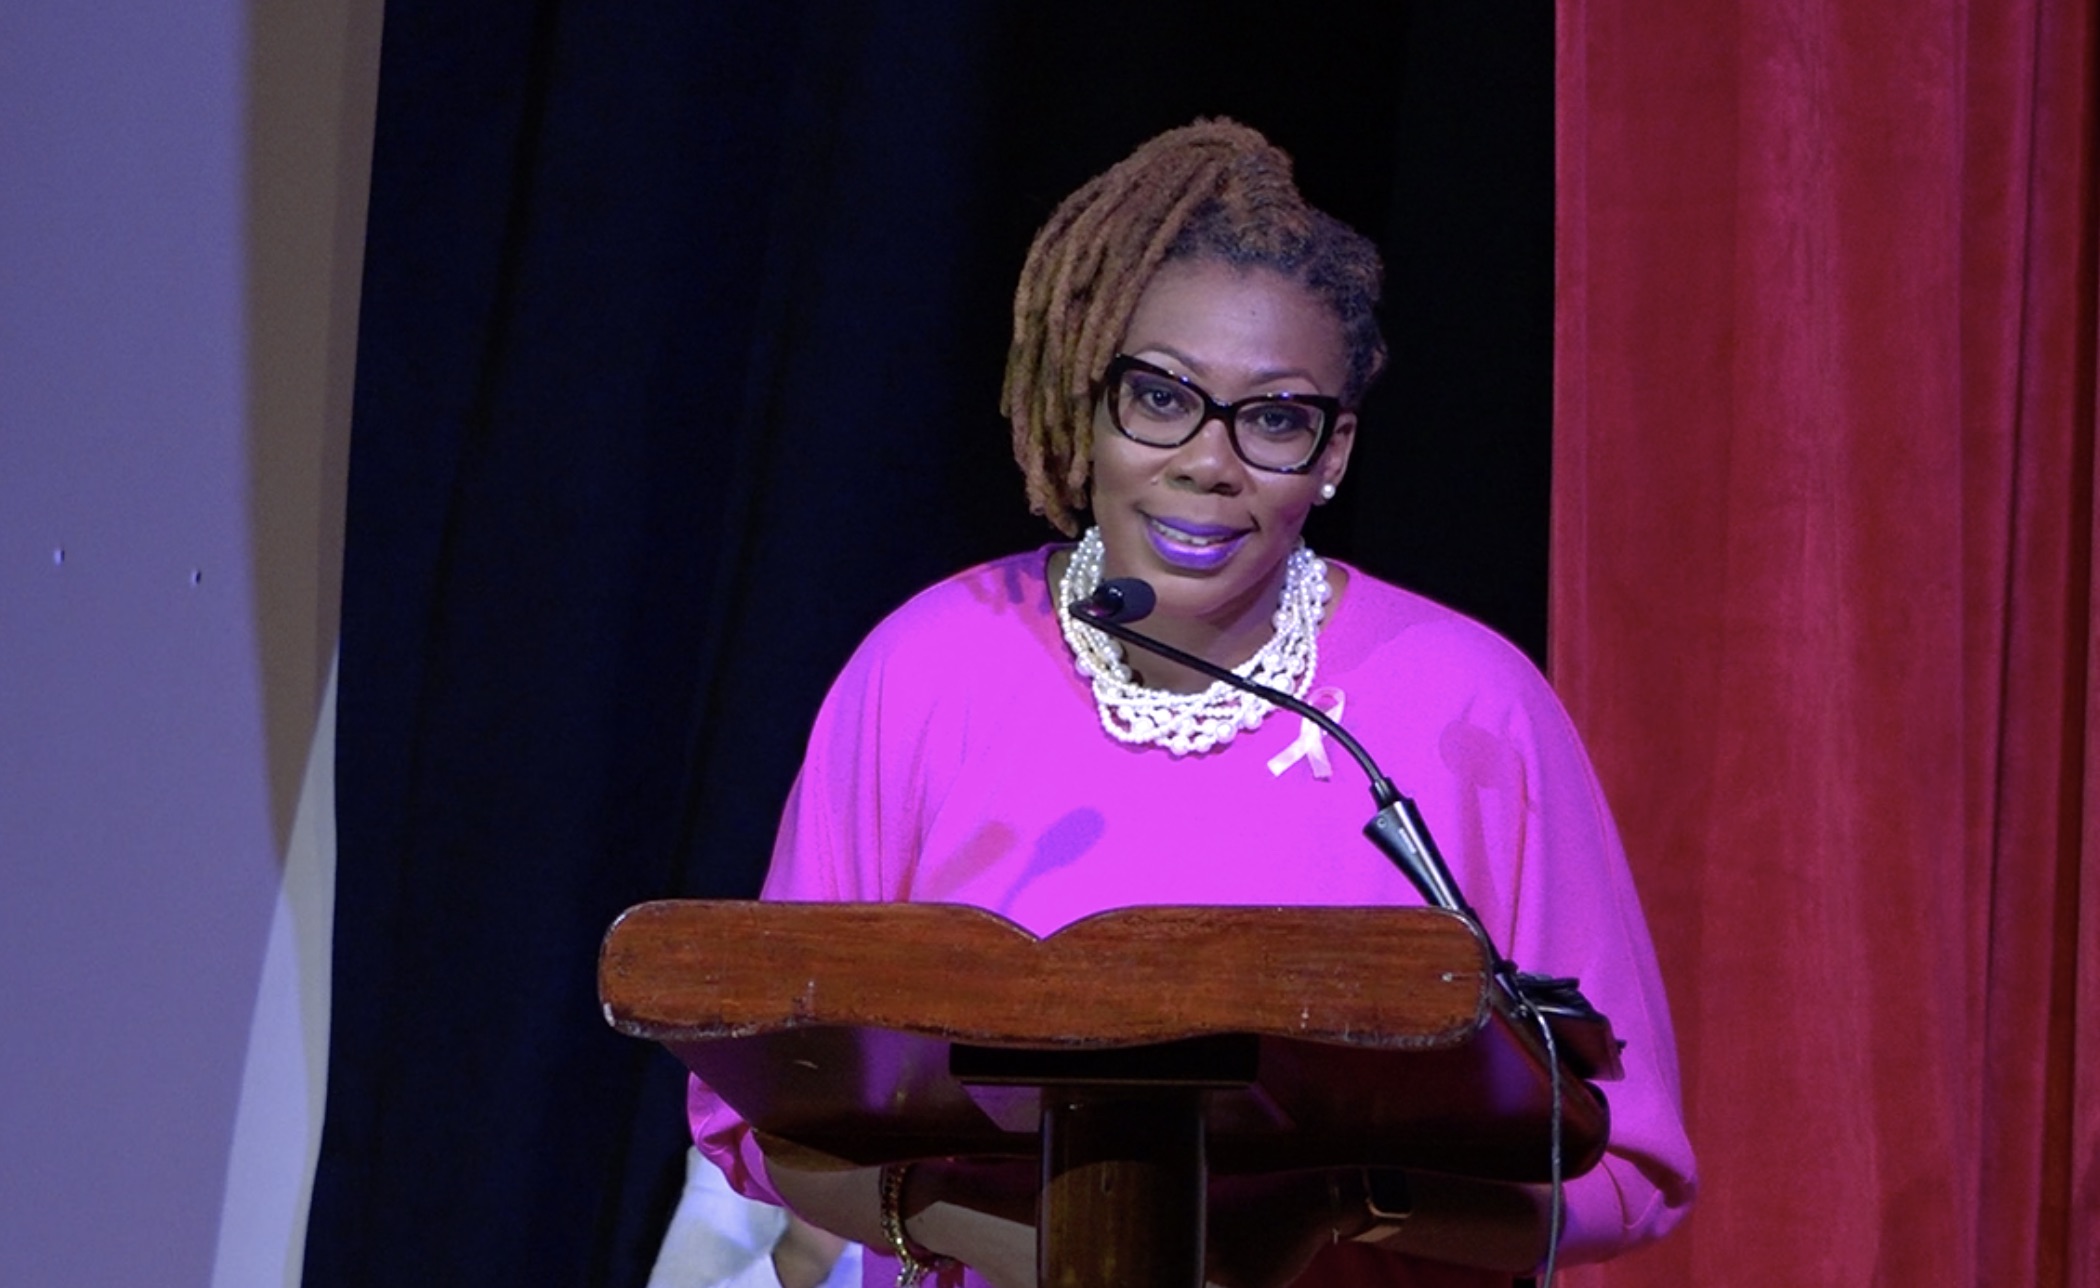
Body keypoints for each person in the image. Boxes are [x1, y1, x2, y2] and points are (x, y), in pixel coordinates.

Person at [688, 118, 1696, 1288]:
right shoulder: (926, 670)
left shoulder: (1469, 708)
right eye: (1162, 397)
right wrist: (1066, 1252)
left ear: (1335, 451)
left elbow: (1620, 1167)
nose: (1208, 460)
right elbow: (766, 1114)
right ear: (1093, 399)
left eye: (1273, 418)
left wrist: (1338, 1208)